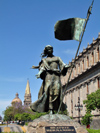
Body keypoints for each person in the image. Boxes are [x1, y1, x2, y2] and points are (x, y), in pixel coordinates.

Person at [30, 45, 70, 114]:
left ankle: (57, 109)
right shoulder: (45, 60)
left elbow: (62, 65)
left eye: (51, 49)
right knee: (49, 92)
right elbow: (42, 68)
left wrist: (66, 67)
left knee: (57, 92)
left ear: (52, 50)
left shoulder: (58, 58)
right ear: (46, 51)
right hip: (48, 76)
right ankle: (50, 109)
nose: (50, 51)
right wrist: (40, 73)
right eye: (48, 50)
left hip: (56, 76)